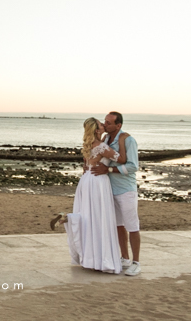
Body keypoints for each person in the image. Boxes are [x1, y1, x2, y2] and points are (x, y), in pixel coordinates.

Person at [50, 118, 123, 274]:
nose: (103, 125)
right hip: (98, 181)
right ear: (96, 130)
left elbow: (85, 164)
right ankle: (100, 258)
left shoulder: (89, 146)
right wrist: (123, 140)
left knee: (87, 216)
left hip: (86, 180)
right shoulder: (102, 147)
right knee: (98, 217)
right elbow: (121, 158)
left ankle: (69, 218)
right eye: (101, 124)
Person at [91, 111, 141, 276]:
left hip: (126, 189)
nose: (105, 125)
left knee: (132, 226)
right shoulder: (105, 140)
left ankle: (136, 262)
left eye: (109, 123)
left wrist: (109, 169)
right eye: (104, 122)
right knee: (119, 226)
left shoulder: (128, 140)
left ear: (118, 125)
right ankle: (124, 258)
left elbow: (133, 166)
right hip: (109, 190)